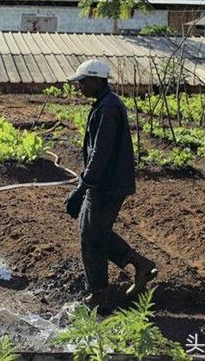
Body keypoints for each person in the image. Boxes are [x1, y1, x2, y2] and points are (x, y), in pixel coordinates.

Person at [63, 59, 158, 308]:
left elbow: (100, 153)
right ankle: (140, 265)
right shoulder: (105, 103)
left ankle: (98, 293)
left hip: (108, 185)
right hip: (104, 182)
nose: (80, 86)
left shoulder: (108, 107)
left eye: (83, 82)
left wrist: (81, 188)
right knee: (93, 231)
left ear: (96, 80)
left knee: (92, 236)